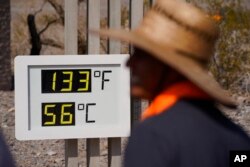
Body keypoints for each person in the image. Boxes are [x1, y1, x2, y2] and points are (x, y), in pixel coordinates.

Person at [91, 0, 250, 166]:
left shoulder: (152, 137)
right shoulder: (237, 138)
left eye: (141, 55)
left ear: (169, 65)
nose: (129, 63)